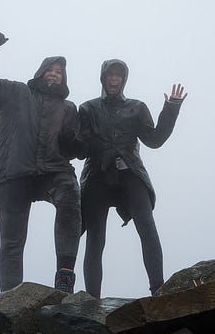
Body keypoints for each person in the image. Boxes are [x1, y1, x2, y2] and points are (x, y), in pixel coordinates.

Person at [0, 31, 82, 293]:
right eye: (50, 69)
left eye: (59, 72)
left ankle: (64, 278)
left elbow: (74, 146)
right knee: (11, 241)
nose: (54, 74)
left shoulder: (68, 109)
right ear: (41, 72)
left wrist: (80, 144)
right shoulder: (16, 92)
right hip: (12, 172)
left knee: (70, 194)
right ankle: (10, 298)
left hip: (52, 170)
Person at [79, 59, 187, 298]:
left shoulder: (137, 107)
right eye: (110, 75)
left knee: (147, 227)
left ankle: (158, 291)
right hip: (97, 174)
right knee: (95, 237)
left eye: (118, 75)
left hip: (131, 174)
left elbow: (155, 140)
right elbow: (81, 147)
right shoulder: (88, 109)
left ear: (124, 79)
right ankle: (91, 301)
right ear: (103, 78)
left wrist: (171, 108)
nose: (114, 79)